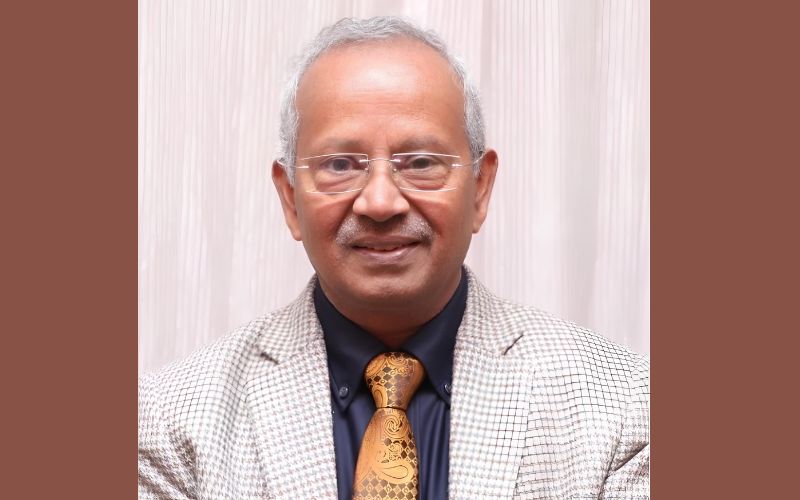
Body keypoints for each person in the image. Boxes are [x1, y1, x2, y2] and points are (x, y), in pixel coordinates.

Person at [138, 16, 649, 500]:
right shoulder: (171, 421)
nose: (380, 202)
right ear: (290, 199)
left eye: (421, 162)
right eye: (340, 164)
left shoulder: (624, 406)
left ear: (480, 188)